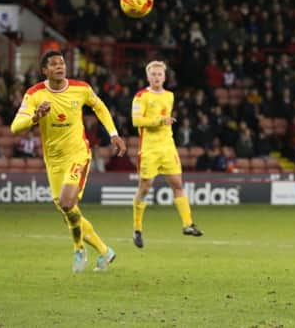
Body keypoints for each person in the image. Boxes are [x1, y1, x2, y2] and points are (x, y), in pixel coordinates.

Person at [10, 50, 127, 273]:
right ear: (44, 70)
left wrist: (113, 134)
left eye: (62, 63)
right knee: (69, 212)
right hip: (53, 160)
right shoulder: (34, 94)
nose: (59, 67)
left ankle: (78, 249)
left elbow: (99, 107)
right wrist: (35, 118)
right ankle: (104, 251)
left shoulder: (81, 88)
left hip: (78, 154)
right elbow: (15, 127)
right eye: (54, 64)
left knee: (66, 203)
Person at [131, 60, 203, 249]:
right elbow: (136, 121)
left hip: (167, 148)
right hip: (149, 149)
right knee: (145, 188)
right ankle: (137, 228)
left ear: (164, 77)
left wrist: (164, 123)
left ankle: (188, 224)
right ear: (148, 77)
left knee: (178, 185)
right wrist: (160, 120)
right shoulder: (141, 96)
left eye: (159, 74)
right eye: (153, 74)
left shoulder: (170, 96)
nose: (156, 77)